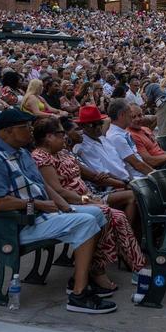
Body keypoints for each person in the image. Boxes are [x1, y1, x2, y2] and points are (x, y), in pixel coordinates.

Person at [0, 109, 115, 314]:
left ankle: (83, 275)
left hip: (41, 215)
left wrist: (67, 206)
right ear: (6, 132)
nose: (30, 131)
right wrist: (40, 205)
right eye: (24, 127)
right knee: (85, 222)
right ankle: (78, 294)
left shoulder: (22, 152)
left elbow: (43, 186)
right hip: (20, 225)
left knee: (97, 212)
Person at [31, 116, 144, 291]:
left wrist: (123, 183)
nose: (65, 137)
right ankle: (97, 270)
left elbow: (91, 175)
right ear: (48, 137)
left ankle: (136, 265)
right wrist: (88, 200)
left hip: (88, 198)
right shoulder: (41, 157)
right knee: (107, 213)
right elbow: (58, 192)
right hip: (72, 203)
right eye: (61, 134)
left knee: (119, 215)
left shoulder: (63, 153)